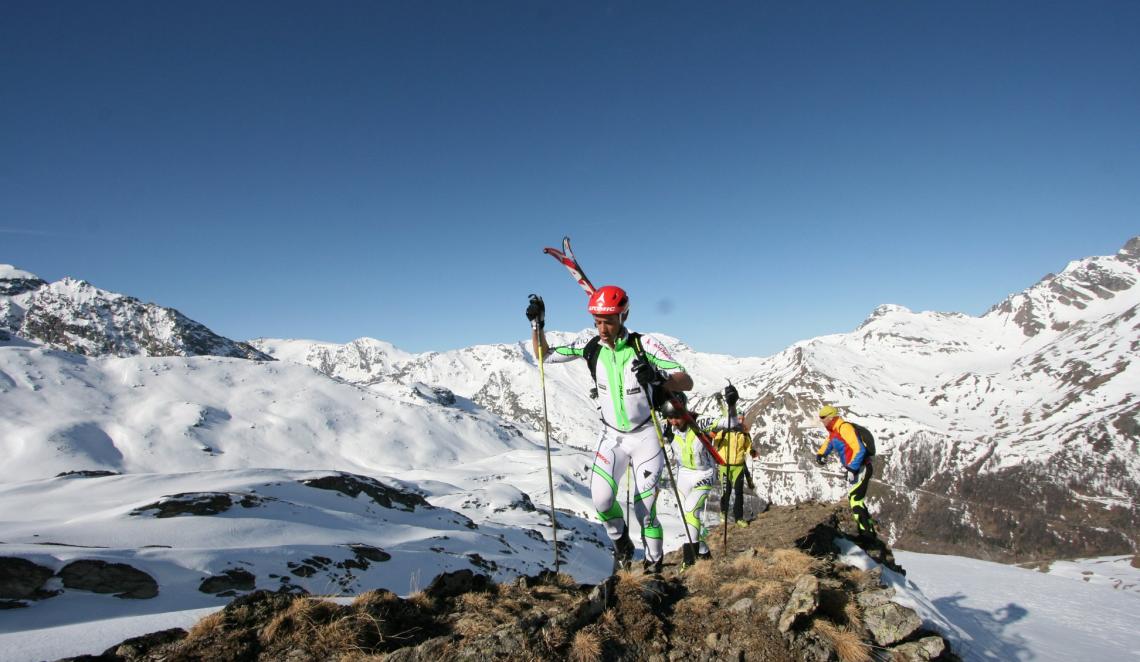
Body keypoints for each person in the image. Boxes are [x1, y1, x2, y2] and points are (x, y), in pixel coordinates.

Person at [527, 286, 693, 573]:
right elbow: (544, 355)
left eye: (609, 322)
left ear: (623, 317)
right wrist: (537, 326)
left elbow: (685, 380)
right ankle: (622, 543)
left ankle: (654, 564)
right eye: (597, 322)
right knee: (602, 501)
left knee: (645, 511)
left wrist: (658, 379)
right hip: (612, 436)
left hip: (646, 436)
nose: (603, 329)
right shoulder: (591, 347)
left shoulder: (644, 346)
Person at [661, 393, 715, 567]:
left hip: (704, 473)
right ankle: (704, 553)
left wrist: (731, 405)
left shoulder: (699, 423)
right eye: (670, 418)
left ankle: (689, 561)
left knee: (691, 510)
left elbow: (727, 423)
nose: (674, 422)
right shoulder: (667, 427)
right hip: (683, 475)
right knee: (685, 517)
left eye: (677, 417)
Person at [815, 405, 878, 541]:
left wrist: (852, 468)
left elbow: (859, 449)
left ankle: (867, 535)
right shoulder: (834, 431)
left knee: (855, 499)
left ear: (831, 417)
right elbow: (829, 443)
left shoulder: (844, 428)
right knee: (855, 499)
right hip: (856, 470)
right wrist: (821, 454)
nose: (821, 421)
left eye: (823, 418)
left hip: (861, 468)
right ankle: (868, 531)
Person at [715, 385, 753, 527]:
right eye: (739, 418)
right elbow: (716, 443)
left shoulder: (744, 433)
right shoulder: (725, 430)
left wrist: (752, 452)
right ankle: (723, 512)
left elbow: (748, 447)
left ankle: (739, 518)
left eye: (742, 418)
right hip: (725, 465)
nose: (741, 420)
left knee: (739, 493)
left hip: (738, 466)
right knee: (726, 492)